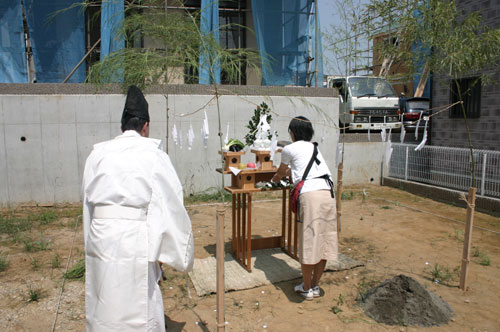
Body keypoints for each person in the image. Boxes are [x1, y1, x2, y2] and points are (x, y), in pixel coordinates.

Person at [82, 85, 194, 331]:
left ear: (122, 126)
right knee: (139, 303)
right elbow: (170, 203)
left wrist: (89, 240)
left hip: (101, 234)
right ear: (145, 126)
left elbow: (87, 205)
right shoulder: (153, 155)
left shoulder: (97, 154)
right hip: (135, 238)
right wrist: (171, 252)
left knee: (105, 297)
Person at [271, 116, 338, 301]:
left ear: (292, 133)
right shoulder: (315, 147)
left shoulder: (288, 149)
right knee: (323, 240)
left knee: (309, 241)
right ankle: (315, 285)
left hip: (311, 196)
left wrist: (273, 181)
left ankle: (306, 288)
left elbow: (282, 172)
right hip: (328, 192)